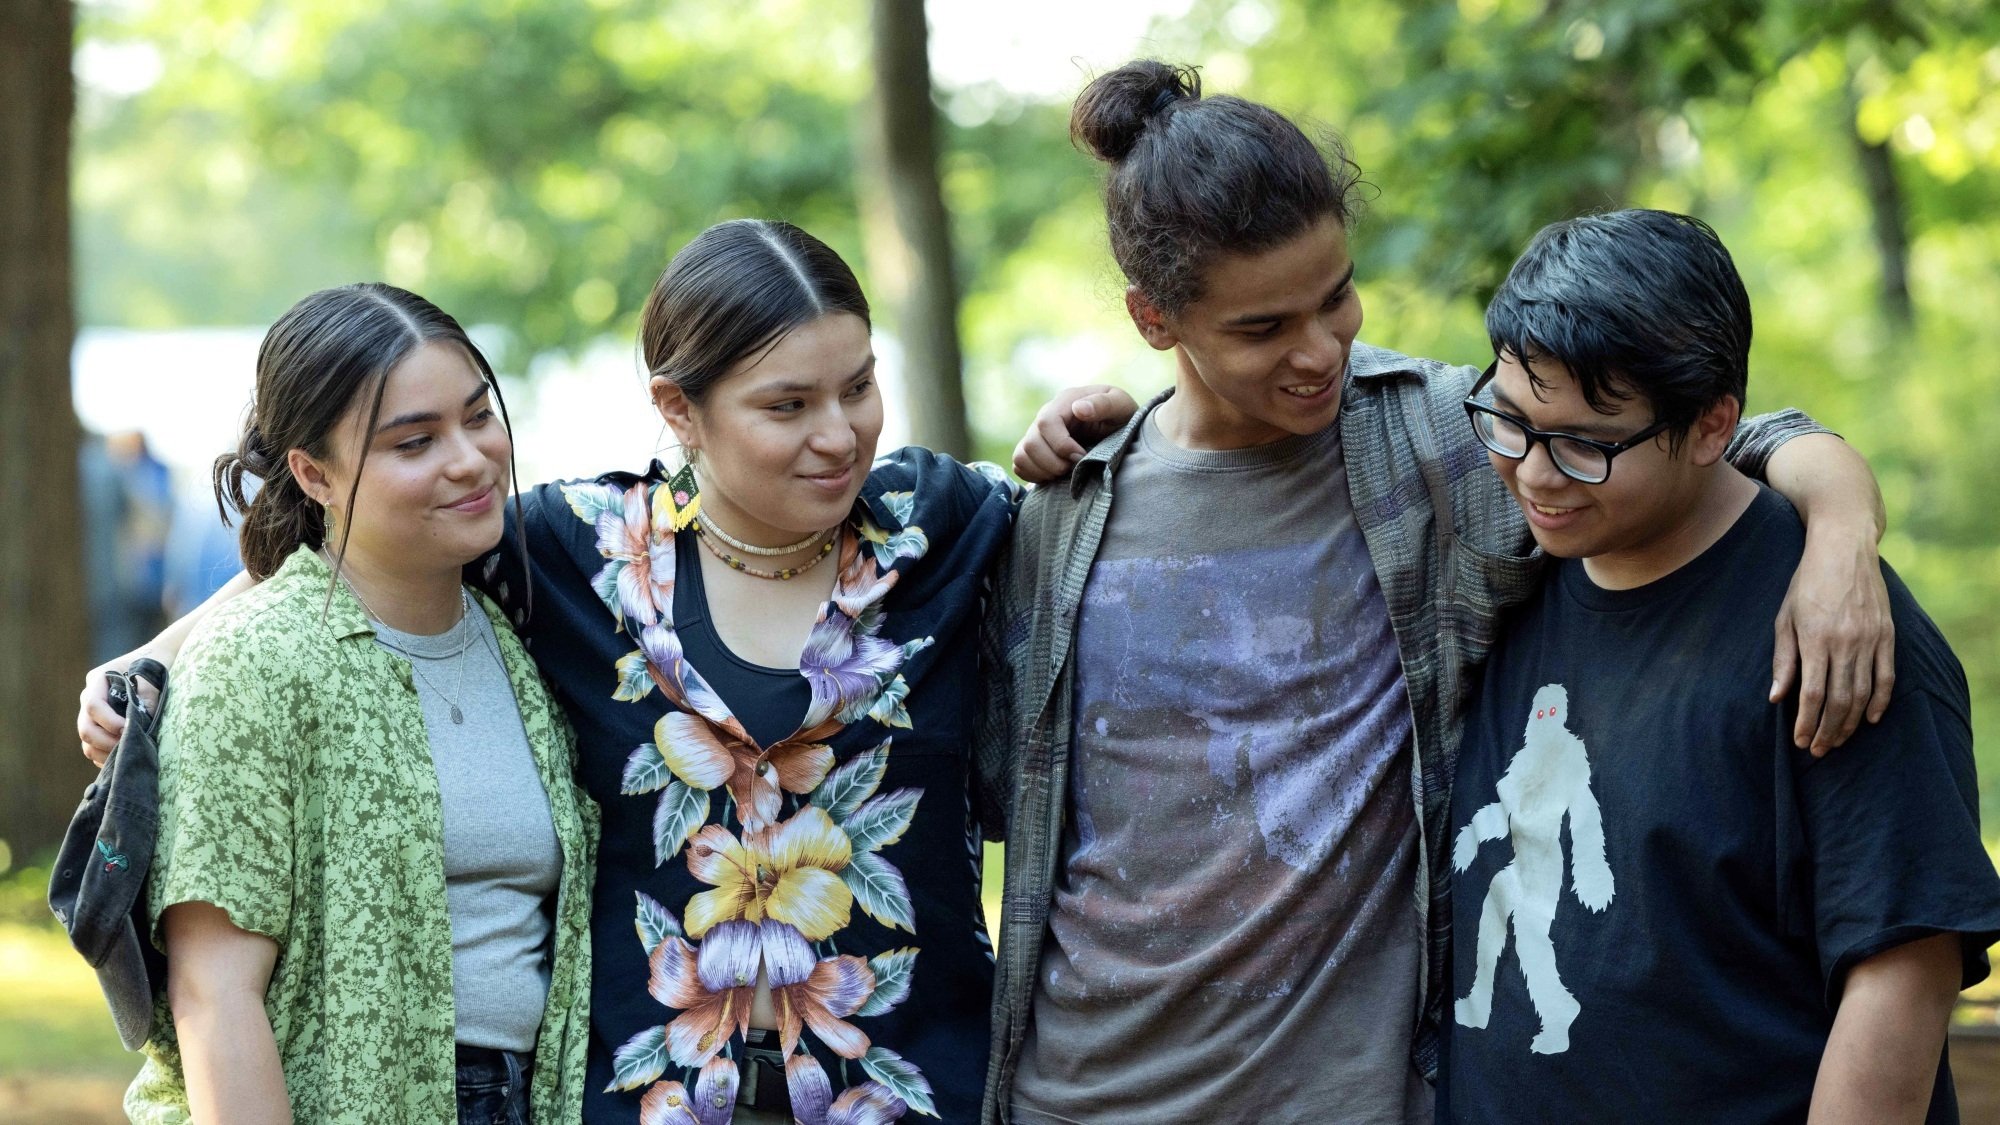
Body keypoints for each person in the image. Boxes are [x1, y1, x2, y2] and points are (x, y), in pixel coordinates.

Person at [979, 61, 1896, 1125]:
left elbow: (1697, 441)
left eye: (1335, 297)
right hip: (1074, 1096)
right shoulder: (1061, 514)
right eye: (1261, 329)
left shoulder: (1437, 445)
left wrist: (1837, 531)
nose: (1318, 350)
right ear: (1152, 320)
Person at [81, 221, 1128, 1124]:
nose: (837, 432)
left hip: (907, 1084)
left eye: (858, 387)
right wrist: (148, 665)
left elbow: (1092, 499)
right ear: (678, 411)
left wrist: (1081, 438)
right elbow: (339, 555)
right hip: (639, 1093)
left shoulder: (939, 526)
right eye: (787, 404)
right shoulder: (572, 556)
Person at [1442, 209, 2000, 1123]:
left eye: (1586, 443)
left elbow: (1902, 976)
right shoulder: (1505, 572)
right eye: (1510, 422)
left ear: (1712, 426)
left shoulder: (1837, 629)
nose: (1537, 474)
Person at [124, 283, 596, 1124]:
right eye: (415, 441)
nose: (469, 457)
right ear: (313, 472)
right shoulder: (258, 661)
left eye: (478, 415)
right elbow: (213, 992)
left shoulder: (514, 631)